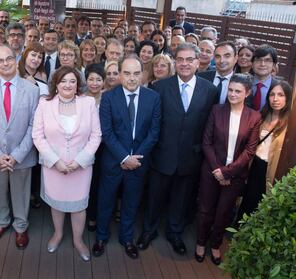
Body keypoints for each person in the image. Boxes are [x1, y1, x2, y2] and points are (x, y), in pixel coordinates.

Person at [137, 43, 217, 255]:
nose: (184, 63)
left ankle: (174, 233)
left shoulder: (210, 91)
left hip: (191, 156)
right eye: (180, 59)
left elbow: (209, 125)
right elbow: (153, 123)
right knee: (154, 197)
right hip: (162, 154)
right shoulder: (160, 87)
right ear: (175, 62)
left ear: (197, 62)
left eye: (189, 59)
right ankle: (148, 231)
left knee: (181, 200)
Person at [92, 55, 161, 260]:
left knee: (131, 203)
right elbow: (107, 132)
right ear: (120, 74)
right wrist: (124, 157)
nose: (132, 78)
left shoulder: (153, 97)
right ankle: (101, 237)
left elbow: (154, 132)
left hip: (139, 162)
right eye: (127, 73)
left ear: (143, 74)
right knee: (106, 201)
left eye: (136, 73)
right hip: (113, 161)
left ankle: (127, 239)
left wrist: (135, 157)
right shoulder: (108, 97)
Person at [32, 66, 101, 261]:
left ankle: (78, 240)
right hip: (54, 166)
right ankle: (58, 233)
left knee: (79, 206)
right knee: (57, 203)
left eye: (72, 81)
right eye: (63, 81)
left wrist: (80, 161)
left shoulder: (88, 103)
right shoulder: (45, 104)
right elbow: (37, 135)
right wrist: (55, 162)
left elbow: (96, 135)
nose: (68, 85)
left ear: (78, 83)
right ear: (56, 84)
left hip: (81, 167)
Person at [0, 44, 39, 250]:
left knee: (21, 192)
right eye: (0, 60)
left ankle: (21, 226)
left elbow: (34, 125)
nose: (5, 63)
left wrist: (18, 154)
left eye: (9, 59)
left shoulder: (32, 89)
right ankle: (1, 222)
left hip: (22, 154)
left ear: (15, 59)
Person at [195, 74, 261, 265]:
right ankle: (200, 242)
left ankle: (215, 245)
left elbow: (250, 150)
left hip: (235, 176)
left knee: (223, 212)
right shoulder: (216, 110)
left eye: (237, 91)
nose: (232, 94)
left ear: (247, 93)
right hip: (211, 171)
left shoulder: (254, 117)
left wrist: (228, 172)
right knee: (205, 209)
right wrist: (218, 170)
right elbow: (206, 143)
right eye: (230, 90)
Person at [237, 79, 292, 219]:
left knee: (261, 203)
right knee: (247, 199)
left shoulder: (290, 123)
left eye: (281, 95)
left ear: (288, 98)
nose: (275, 99)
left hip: (271, 168)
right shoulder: (262, 116)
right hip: (254, 164)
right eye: (272, 94)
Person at [85, 64, 105, 232]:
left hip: (104, 148)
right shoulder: (80, 98)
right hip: (84, 147)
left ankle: (94, 215)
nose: (94, 83)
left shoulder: (108, 98)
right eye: (91, 79)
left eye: (98, 79)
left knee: (98, 183)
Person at [248, 44, 277, 111]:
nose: (262, 64)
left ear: (274, 65)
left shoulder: (279, 87)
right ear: (252, 64)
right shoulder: (243, 83)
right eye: (258, 60)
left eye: (267, 60)